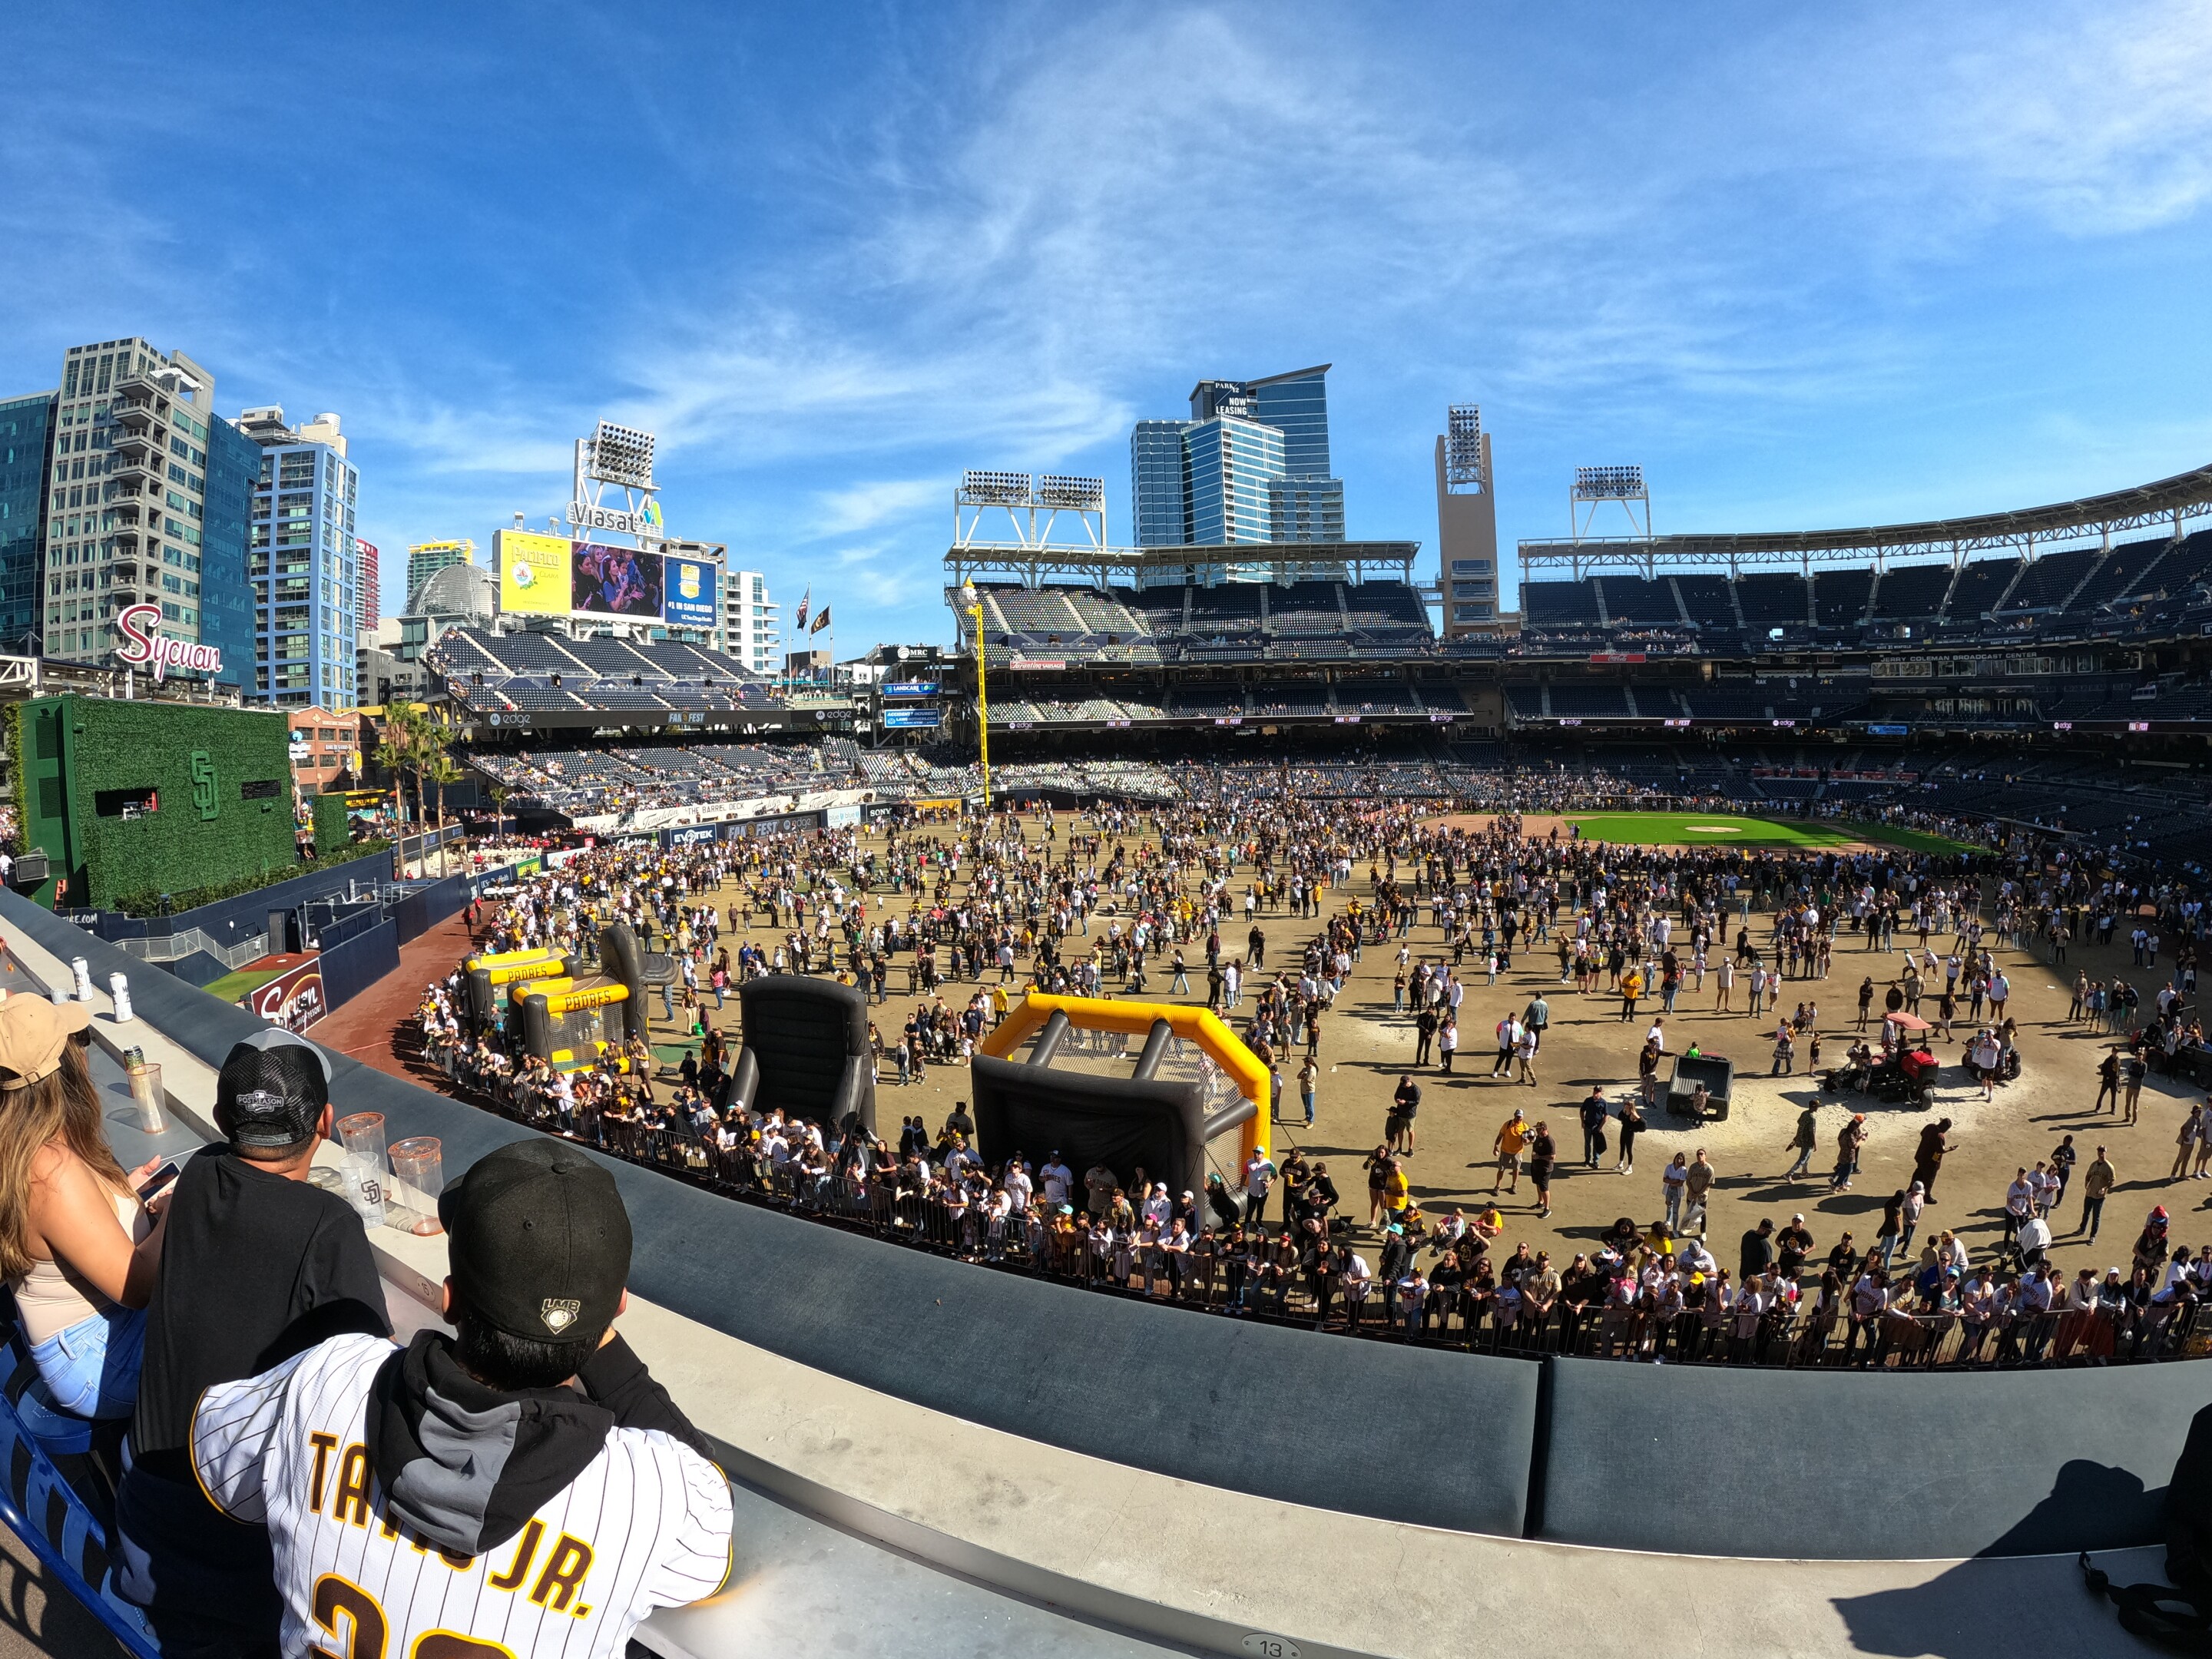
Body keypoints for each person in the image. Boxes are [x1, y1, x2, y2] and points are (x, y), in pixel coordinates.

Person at [190, 1138, 734, 1658]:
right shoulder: (651, 1489)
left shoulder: (329, 1375)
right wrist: (583, 1332)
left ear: (448, 1301)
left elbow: (213, 1457)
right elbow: (711, 1534)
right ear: (616, 1308)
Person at [117, 1029, 394, 1658]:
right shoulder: (329, 1225)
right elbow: (367, 1375)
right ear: (325, 1122)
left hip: (146, 1517)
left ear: (219, 1120)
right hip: (239, 1558)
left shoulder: (197, 1173)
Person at [0, 998, 167, 1422]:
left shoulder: (22, 1149)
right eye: (78, 1041)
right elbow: (137, 1288)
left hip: (76, 1343)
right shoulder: (51, 1171)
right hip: (96, 1357)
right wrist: (178, 1211)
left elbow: (57, 1229)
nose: (84, 1051)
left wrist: (120, 1196)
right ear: (61, 1071)